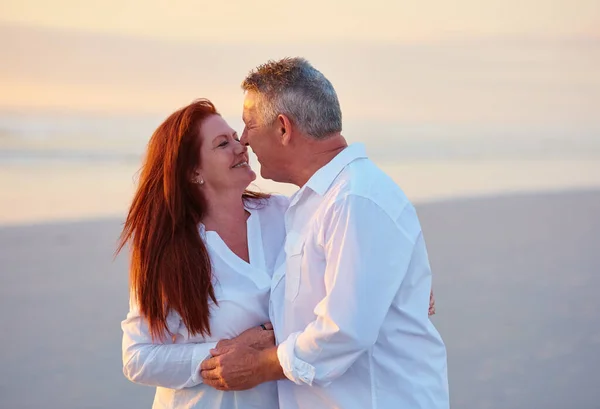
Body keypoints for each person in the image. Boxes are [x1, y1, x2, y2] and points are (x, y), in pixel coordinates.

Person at [200, 57, 449, 409]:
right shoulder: (311, 204)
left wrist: (258, 365)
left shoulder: (354, 201)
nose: (243, 139)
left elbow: (344, 332)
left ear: (283, 128)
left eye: (248, 124)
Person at [117, 99, 288, 409]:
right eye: (223, 143)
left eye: (236, 137)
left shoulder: (287, 215)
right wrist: (221, 353)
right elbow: (137, 356)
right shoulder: (169, 248)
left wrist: (264, 336)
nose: (240, 147)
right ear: (194, 171)